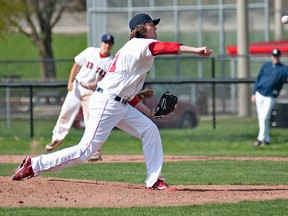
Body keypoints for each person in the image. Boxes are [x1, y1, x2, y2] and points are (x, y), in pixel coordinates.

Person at [12, 13, 212, 190]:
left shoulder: (134, 50)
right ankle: (34, 164)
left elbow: (126, 93)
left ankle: (154, 180)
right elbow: (163, 47)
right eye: (152, 24)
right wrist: (195, 50)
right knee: (85, 150)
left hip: (118, 102)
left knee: (149, 130)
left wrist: (148, 113)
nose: (155, 27)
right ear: (141, 29)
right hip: (107, 103)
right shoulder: (140, 44)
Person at [45, 34, 115, 161]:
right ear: (100, 43)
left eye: (110, 43)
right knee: (65, 112)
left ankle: (95, 151)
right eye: (105, 42)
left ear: (112, 45)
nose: (107, 45)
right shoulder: (90, 52)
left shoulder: (111, 62)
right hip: (77, 87)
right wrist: (70, 81)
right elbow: (76, 64)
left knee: (91, 121)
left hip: (92, 92)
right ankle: (57, 138)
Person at [251, 48, 288, 147]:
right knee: (262, 118)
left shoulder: (283, 69)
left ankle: (260, 139)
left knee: (264, 117)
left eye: (277, 56)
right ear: (271, 56)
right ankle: (266, 139)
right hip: (260, 93)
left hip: (270, 95)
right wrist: (254, 93)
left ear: (280, 57)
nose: (275, 58)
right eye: (273, 56)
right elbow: (258, 79)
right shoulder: (266, 65)